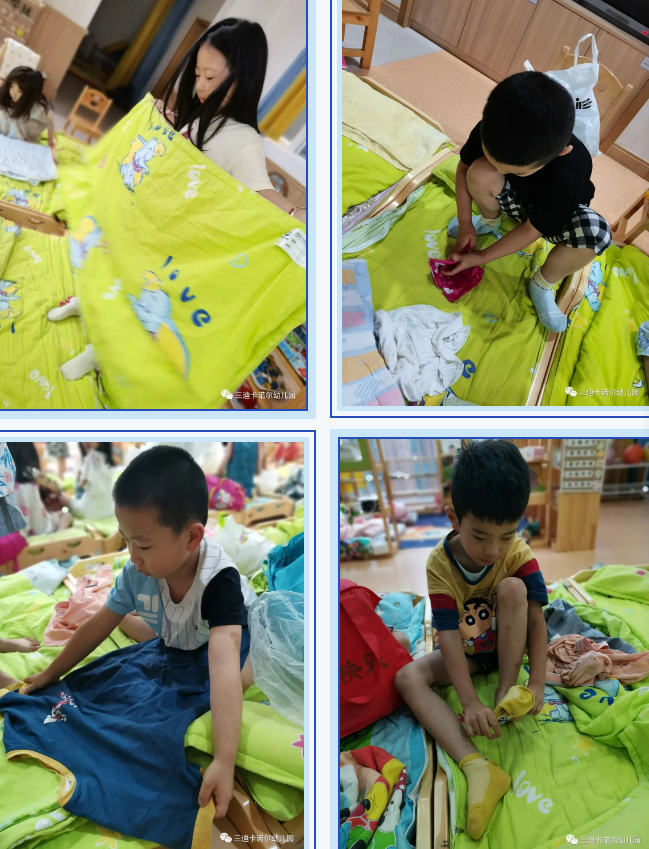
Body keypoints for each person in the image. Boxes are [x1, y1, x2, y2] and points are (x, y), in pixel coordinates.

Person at [22, 445, 252, 819]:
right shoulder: (138, 571)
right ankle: (125, 614)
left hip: (220, 638)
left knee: (231, 678)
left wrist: (224, 760)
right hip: (176, 632)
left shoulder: (219, 582)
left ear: (192, 538)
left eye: (142, 544)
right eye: (125, 540)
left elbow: (224, 660)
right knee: (122, 650)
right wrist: (51, 672)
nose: (131, 556)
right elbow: (98, 624)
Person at [394, 440, 548, 840]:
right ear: (453, 518)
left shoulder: (517, 553)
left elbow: (536, 621)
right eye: (480, 536)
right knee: (407, 678)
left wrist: (535, 684)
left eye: (507, 535)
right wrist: (469, 703)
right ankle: (477, 765)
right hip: (468, 652)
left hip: (507, 648)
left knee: (514, 588)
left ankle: (504, 686)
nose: (493, 550)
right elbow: (446, 636)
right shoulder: (439, 564)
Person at [442, 72, 612, 333]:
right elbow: (464, 167)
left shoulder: (572, 169)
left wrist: (482, 256)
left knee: (598, 233)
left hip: (551, 215)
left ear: (561, 152)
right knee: (479, 170)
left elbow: (532, 229)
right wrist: (466, 223)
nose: (499, 169)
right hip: (514, 199)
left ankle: (542, 284)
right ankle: (490, 220)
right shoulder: (492, 129)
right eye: (493, 158)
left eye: (516, 170)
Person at [158, 18, 306, 223]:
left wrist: (297, 214)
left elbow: (262, 192)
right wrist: (168, 119)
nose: (199, 85)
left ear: (242, 79)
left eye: (209, 77)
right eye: (197, 74)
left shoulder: (244, 139)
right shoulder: (205, 114)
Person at [7, 442, 72, 536]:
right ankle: (60, 535)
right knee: (66, 515)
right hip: (38, 526)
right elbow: (54, 488)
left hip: (12, 531)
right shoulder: (33, 475)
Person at [0, 67, 56, 150]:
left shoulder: (38, 110)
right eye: (12, 86)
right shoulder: (5, 96)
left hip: (23, 145)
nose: (14, 93)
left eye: (19, 91)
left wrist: (51, 139)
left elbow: (50, 120)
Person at [58, 443, 116, 520]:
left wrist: (80, 477)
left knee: (62, 497)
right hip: (109, 510)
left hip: (89, 512)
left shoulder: (91, 457)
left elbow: (81, 485)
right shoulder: (107, 459)